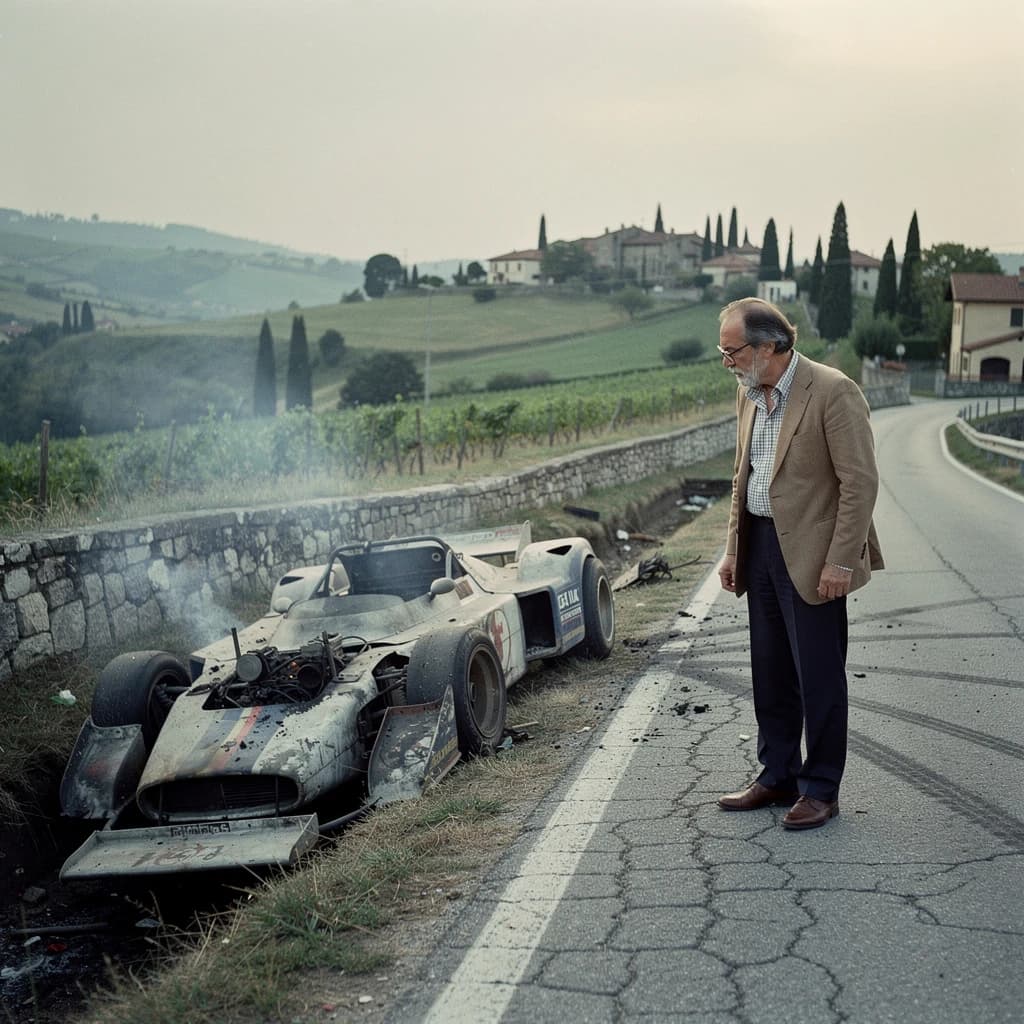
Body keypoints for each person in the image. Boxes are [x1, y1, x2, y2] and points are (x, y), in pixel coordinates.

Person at [715, 297, 883, 830]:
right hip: (761, 546)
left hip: (814, 553)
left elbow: (860, 484)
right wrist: (732, 548)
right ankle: (778, 774)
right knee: (770, 671)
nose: (728, 362)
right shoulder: (747, 393)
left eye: (733, 351)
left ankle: (820, 789)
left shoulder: (833, 391)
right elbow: (744, 477)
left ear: (770, 347)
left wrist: (840, 560)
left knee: (819, 676)